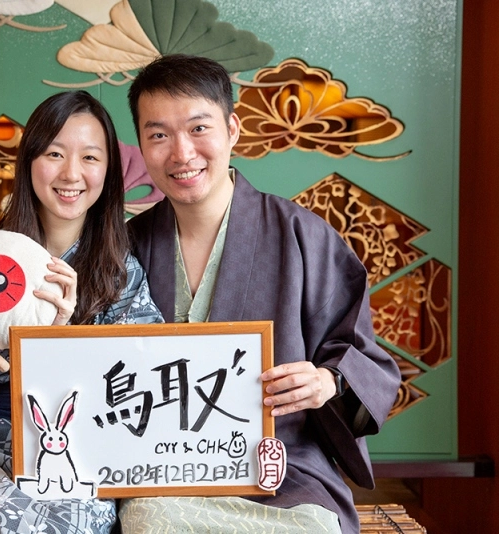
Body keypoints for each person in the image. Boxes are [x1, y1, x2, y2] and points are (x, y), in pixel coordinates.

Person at [122, 54, 401, 534]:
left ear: (232, 129)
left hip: (281, 467)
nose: (182, 153)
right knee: (151, 520)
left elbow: (362, 359)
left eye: (198, 128)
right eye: (159, 135)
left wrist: (327, 382)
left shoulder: (302, 235)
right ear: (143, 147)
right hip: (158, 468)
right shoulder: (125, 245)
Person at [0, 90, 164, 534]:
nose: (71, 174)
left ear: (108, 172)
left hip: (84, 455)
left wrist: (61, 337)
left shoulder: (121, 273)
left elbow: (141, 386)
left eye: (90, 157)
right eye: (55, 154)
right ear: (29, 162)